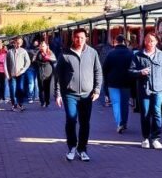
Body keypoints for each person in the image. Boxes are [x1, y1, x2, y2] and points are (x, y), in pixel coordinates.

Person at [56, 28, 103, 162]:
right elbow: (59, 75)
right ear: (73, 38)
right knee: (71, 120)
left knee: (85, 123)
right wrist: (58, 93)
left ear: (86, 38)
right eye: (77, 37)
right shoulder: (65, 54)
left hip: (87, 95)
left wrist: (97, 90)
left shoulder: (92, 53)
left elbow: (98, 72)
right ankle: (71, 147)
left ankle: (82, 149)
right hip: (69, 94)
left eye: (82, 38)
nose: (79, 40)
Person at [130, 32, 162, 150]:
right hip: (144, 89)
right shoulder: (138, 55)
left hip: (159, 89)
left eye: (152, 40)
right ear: (144, 41)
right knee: (145, 114)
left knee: (157, 113)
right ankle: (146, 138)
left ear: (157, 42)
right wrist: (140, 72)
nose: (150, 43)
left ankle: (156, 137)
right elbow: (130, 71)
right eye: (148, 40)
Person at [102, 34, 134, 133]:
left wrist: (106, 83)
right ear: (124, 42)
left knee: (116, 103)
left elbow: (105, 69)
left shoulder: (110, 54)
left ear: (115, 42)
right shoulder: (130, 53)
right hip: (126, 82)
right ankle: (124, 122)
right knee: (125, 104)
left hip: (113, 83)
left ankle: (119, 123)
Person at [6, 37, 31, 111]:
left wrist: (22, 70)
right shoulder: (9, 52)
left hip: (21, 74)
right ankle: (14, 104)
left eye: (20, 42)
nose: (18, 44)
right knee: (12, 89)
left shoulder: (23, 51)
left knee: (20, 88)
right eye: (17, 42)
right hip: (12, 74)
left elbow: (28, 62)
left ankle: (20, 104)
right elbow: (7, 64)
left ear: (22, 43)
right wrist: (8, 74)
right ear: (14, 43)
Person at [35, 40, 57, 107]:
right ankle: (42, 101)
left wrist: (48, 58)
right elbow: (34, 60)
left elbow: (54, 59)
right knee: (40, 86)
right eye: (41, 46)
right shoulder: (38, 52)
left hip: (48, 69)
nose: (42, 47)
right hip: (40, 69)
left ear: (47, 46)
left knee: (47, 86)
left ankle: (47, 101)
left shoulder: (50, 52)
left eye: (43, 46)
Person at [26, 39, 40, 103]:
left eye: (37, 41)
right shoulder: (29, 50)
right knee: (31, 83)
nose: (36, 42)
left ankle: (36, 96)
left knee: (36, 83)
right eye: (35, 41)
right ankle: (31, 96)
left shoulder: (40, 50)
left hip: (37, 68)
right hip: (30, 68)